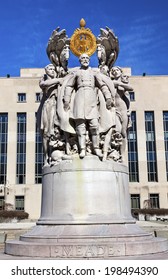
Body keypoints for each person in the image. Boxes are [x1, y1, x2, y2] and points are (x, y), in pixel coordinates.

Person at [63, 53, 112, 159]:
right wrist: (66, 100)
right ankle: (82, 149)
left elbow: (102, 85)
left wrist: (108, 97)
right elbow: (69, 86)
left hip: (91, 98)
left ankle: (96, 148)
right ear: (80, 61)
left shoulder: (94, 73)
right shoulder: (76, 73)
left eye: (87, 58)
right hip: (79, 98)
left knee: (94, 125)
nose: (85, 60)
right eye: (83, 58)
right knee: (80, 127)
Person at [37, 64, 63, 165]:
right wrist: (58, 80)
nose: (52, 71)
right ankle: (46, 156)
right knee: (46, 133)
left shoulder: (59, 80)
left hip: (57, 106)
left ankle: (54, 155)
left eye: (53, 69)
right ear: (46, 70)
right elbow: (44, 85)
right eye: (50, 69)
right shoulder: (44, 80)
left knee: (57, 131)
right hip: (48, 106)